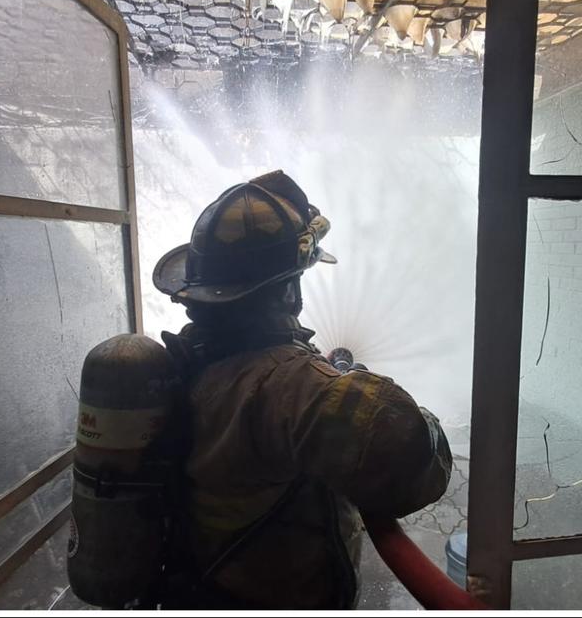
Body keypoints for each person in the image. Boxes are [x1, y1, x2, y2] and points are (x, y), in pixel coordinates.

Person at [153, 170, 452, 609]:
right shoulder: (300, 390)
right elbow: (420, 468)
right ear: (289, 290)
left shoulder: (182, 363)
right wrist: (351, 388)